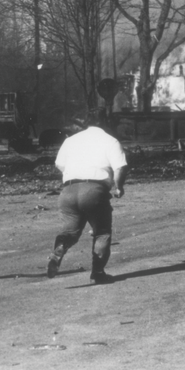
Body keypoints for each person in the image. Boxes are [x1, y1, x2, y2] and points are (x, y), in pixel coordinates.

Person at [46, 108, 129, 285]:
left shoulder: (71, 140)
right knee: (102, 232)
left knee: (70, 231)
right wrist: (118, 187)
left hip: (68, 191)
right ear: (106, 122)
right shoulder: (110, 140)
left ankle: (60, 248)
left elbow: (59, 164)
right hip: (94, 190)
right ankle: (98, 273)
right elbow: (120, 167)